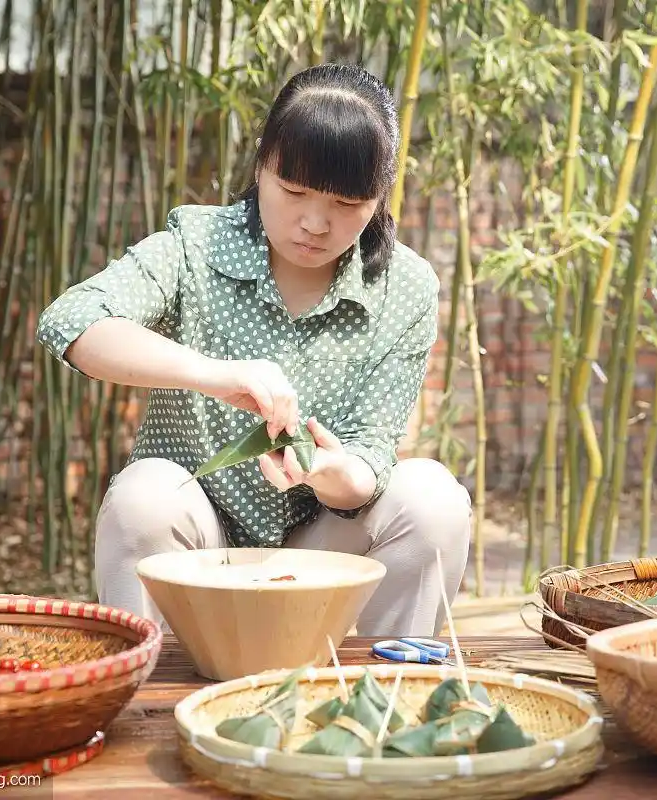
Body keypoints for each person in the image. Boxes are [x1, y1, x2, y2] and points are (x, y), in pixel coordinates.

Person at [36, 63, 471, 638]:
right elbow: (70, 320)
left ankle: (381, 698)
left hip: (324, 558)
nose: (315, 222)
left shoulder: (404, 287)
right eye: (293, 191)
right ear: (261, 165)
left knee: (432, 497)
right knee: (143, 495)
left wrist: (326, 471)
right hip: (199, 551)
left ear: (380, 199)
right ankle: (150, 700)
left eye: (346, 203)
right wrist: (213, 374)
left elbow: (369, 462)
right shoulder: (197, 243)